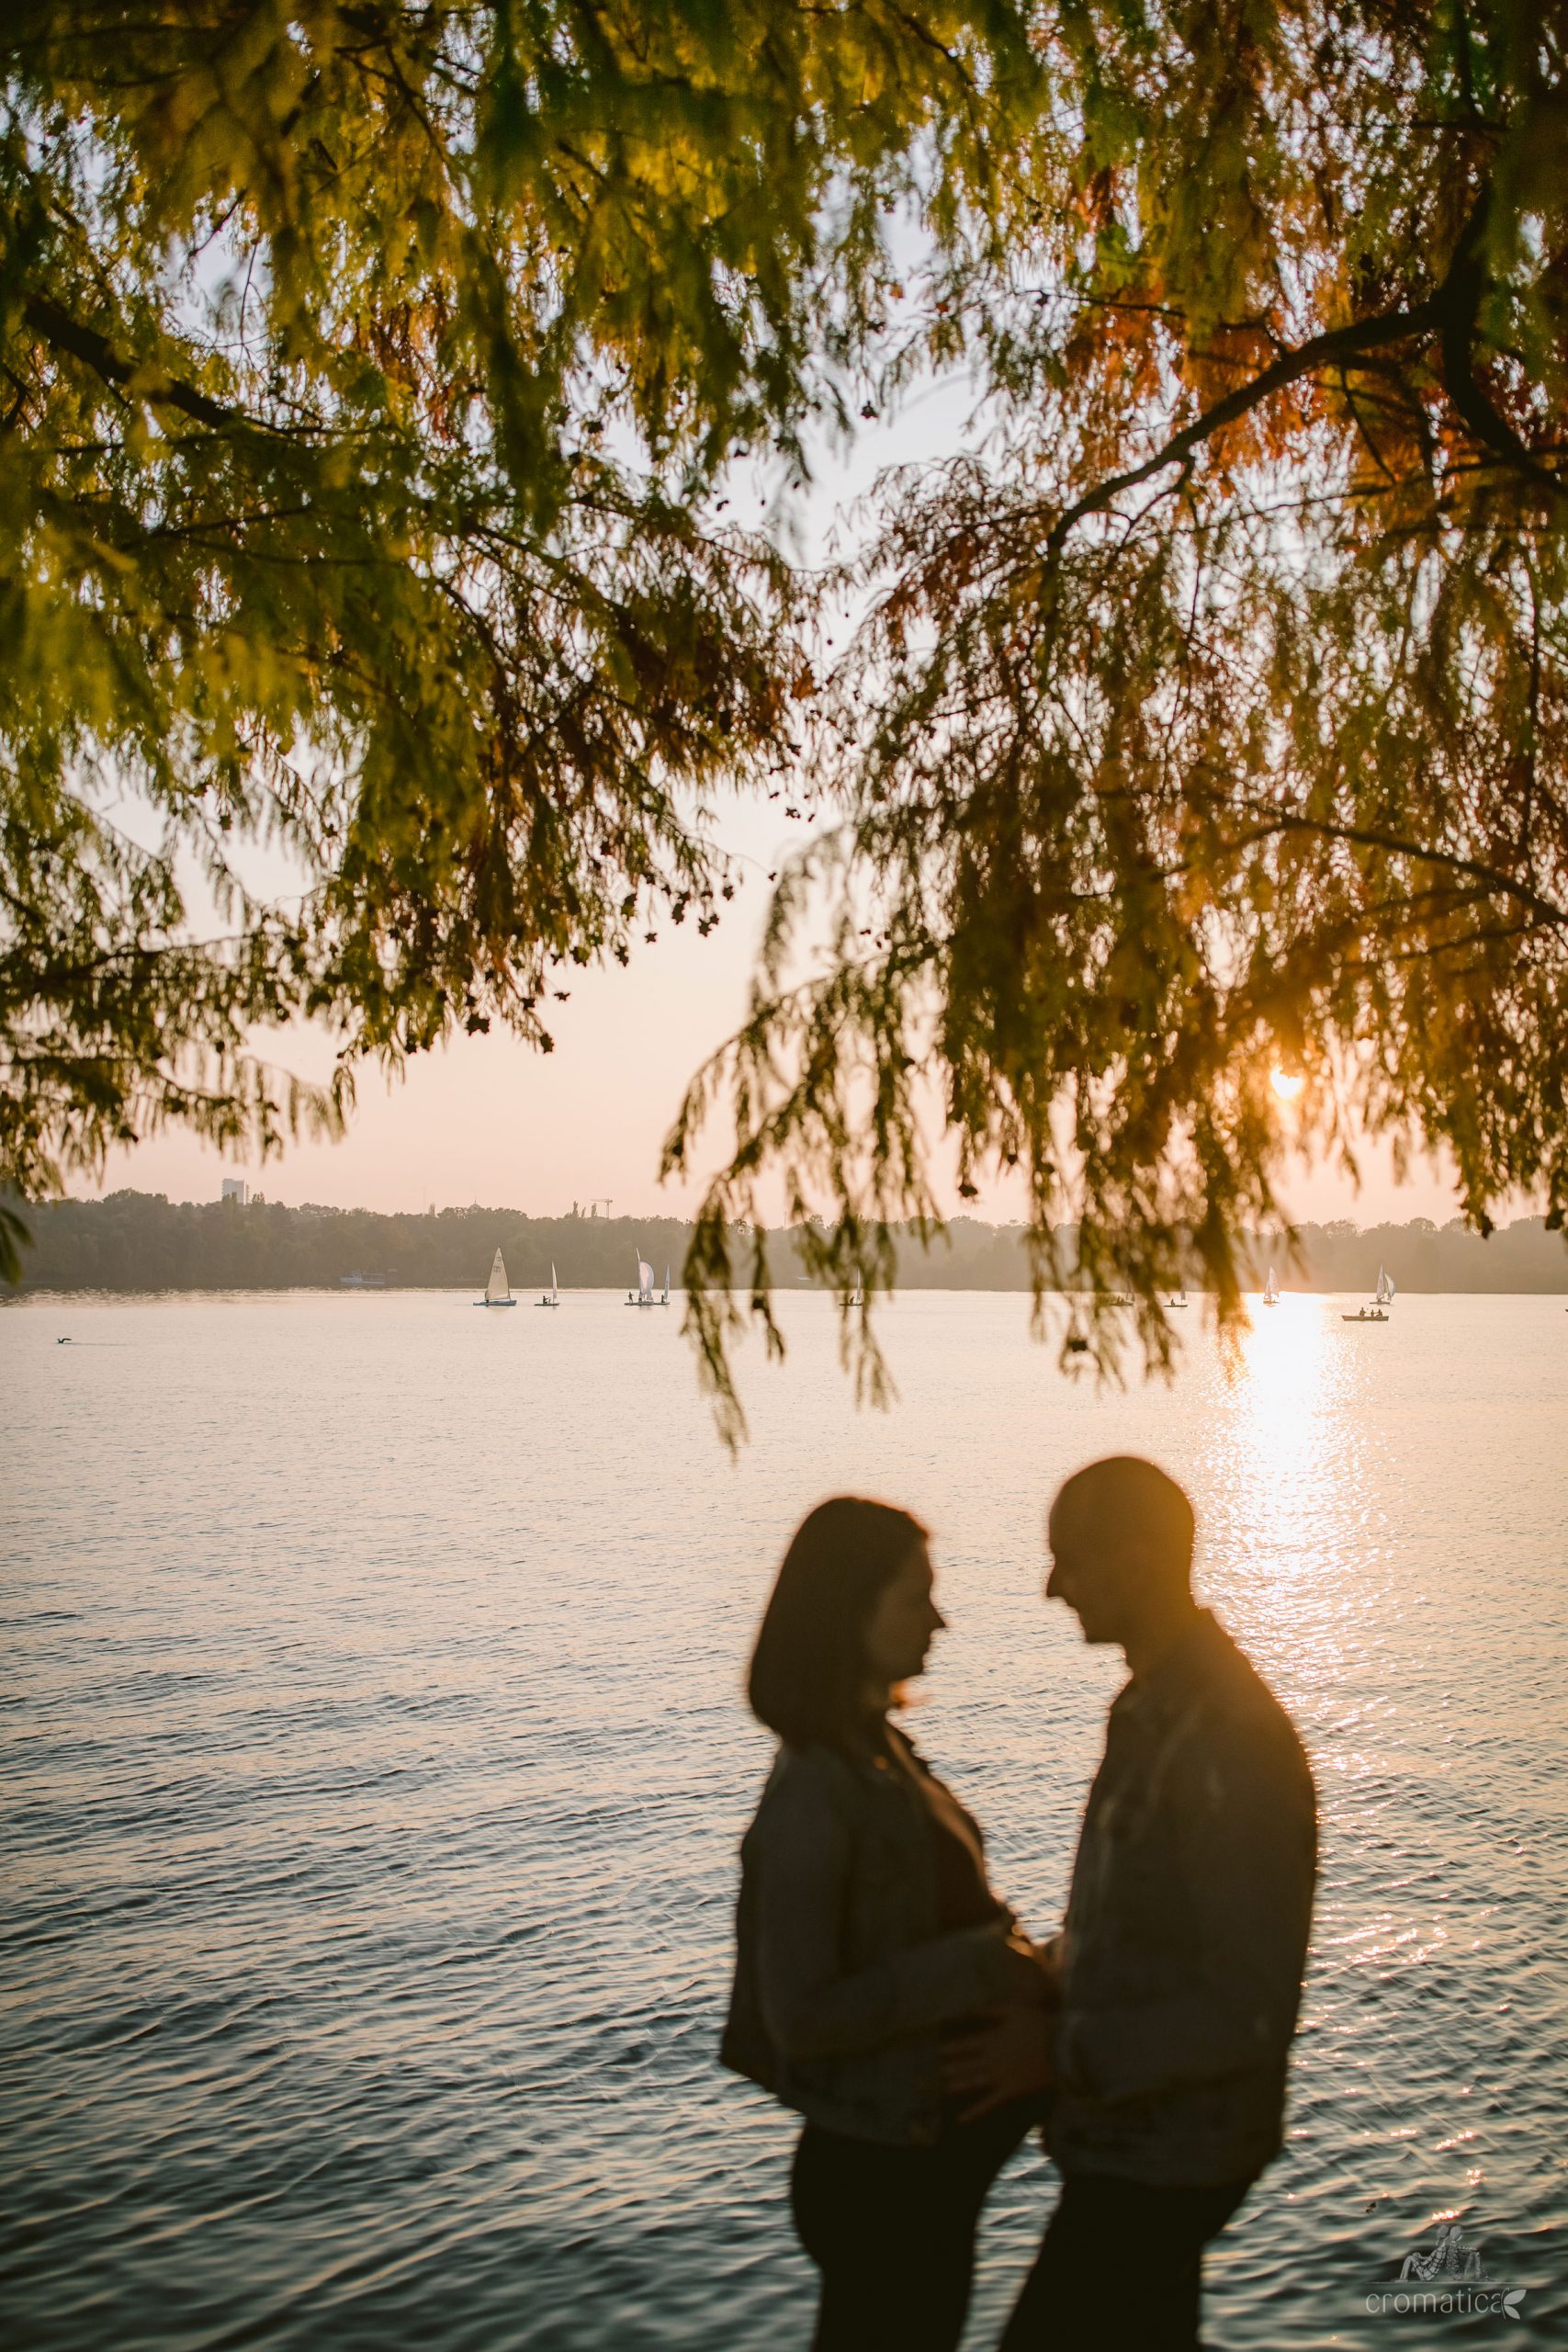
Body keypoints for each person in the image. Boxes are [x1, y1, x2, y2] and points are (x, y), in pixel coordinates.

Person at [946, 1456, 1318, 2352]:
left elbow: (1248, 2007)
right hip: (1128, 2138)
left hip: (1172, 2153)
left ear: (1140, 1561)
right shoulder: (1147, 1708)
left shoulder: (1228, 1735)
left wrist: (1056, 2048)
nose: (1051, 1587)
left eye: (1070, 1558)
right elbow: (1136, 1922)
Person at [722, 1497, 1053, 2352]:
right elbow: (802, 2016)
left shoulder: (883, 1756)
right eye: (917, 1597)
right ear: (849, 1611)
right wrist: (982, 1967)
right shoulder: (813, 1793)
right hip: (881, 2181)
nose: (941, 1619)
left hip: (917, 2167)